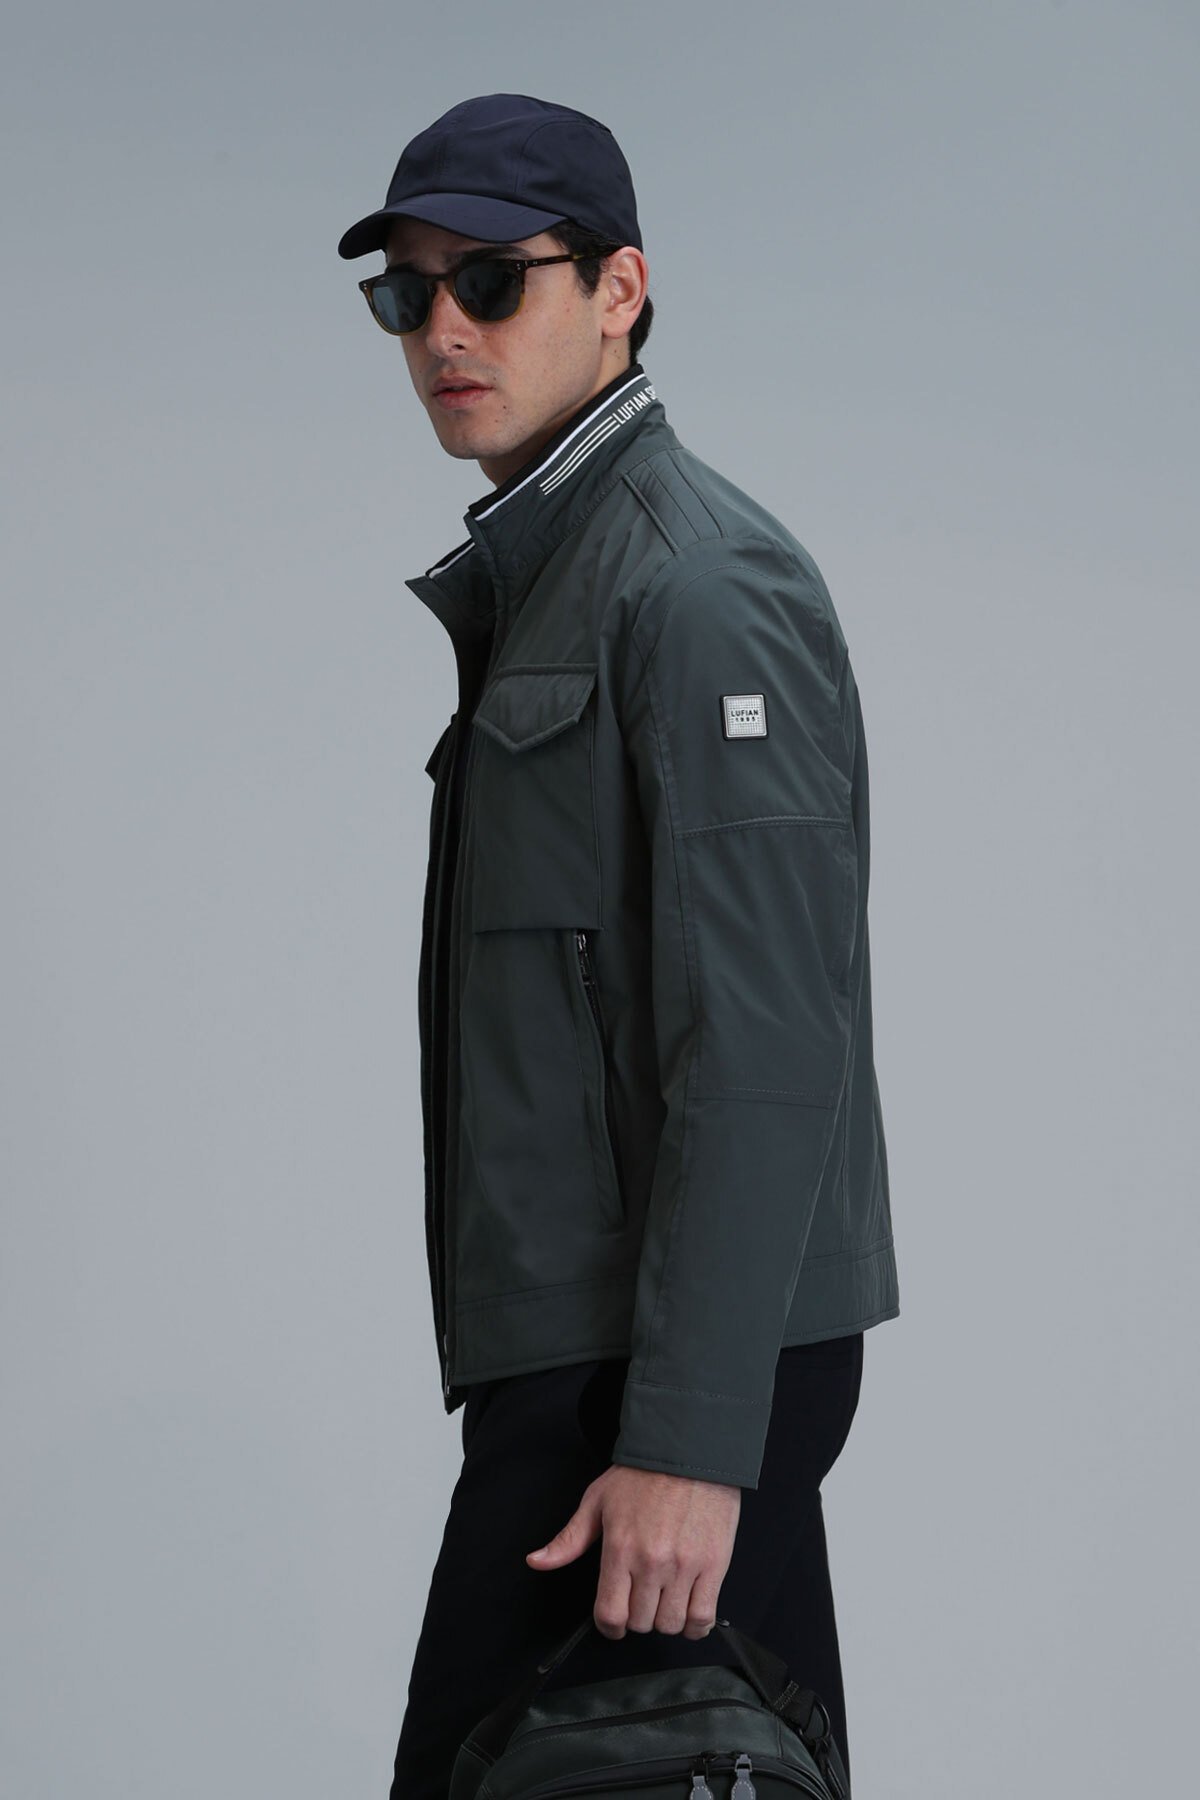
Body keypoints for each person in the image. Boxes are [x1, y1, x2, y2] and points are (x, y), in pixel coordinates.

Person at [337, 92, 900, 1799]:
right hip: (596, 1354)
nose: (443, 330)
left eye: (491, 281)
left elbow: (765, 1043)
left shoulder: (700, 588)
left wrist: (688, 1442)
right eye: (407, 293)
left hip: (649, 1373)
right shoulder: (560, 580)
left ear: (620, 290)